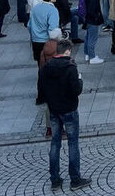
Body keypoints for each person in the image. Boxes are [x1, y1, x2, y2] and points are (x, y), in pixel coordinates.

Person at [38, 39, 90, 190]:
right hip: (69, 110)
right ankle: (75, 179)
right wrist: (79, 81)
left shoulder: (45, 68)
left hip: (54, 110)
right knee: (73, 143)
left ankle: (55, 179)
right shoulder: (70, 67)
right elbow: (76, 90)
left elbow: (42, 91)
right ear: (67, 52)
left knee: (55, 143)